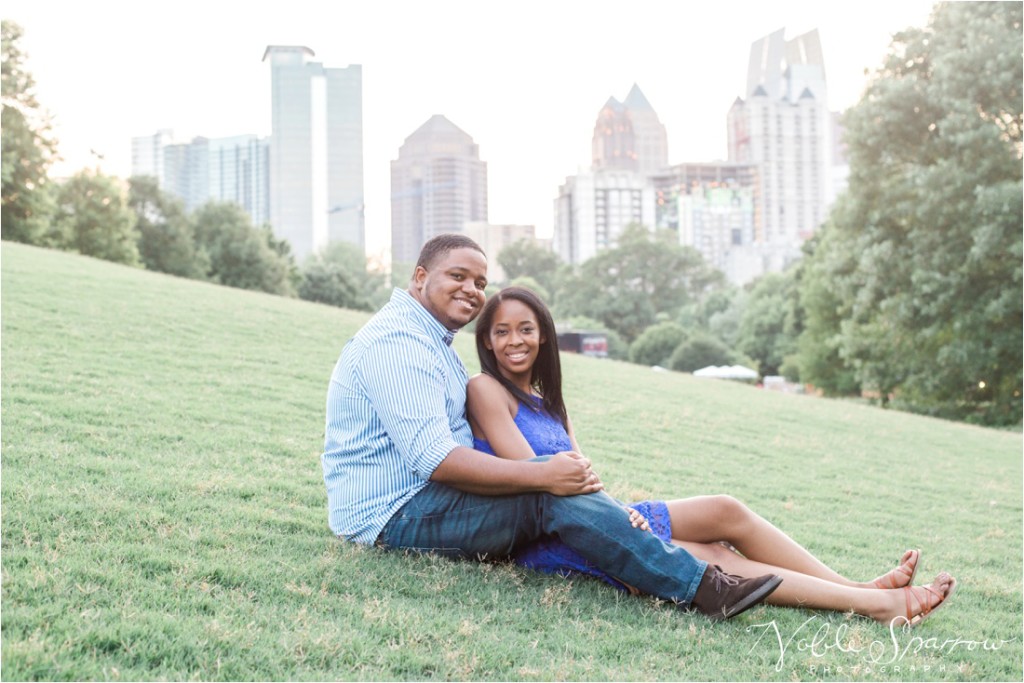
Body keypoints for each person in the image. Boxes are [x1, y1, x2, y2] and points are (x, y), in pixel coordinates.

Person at [322, 233, 783, 621]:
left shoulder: (431, 340)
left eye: (479, 281)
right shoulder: (398, 342)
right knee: (545, 491)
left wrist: (559, 479)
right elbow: (435, 459)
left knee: (549, 482)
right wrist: (542, 473)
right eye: (457, 276)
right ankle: (703, 588)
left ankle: (687, 571)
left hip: (428, 499)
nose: (471, 289)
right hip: (393, 515)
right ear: (420, 277)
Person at [466, 286, 958, 626]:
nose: (515, 341)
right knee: (712, 557)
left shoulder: (549, 399)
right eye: (502, 332)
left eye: (525, 329)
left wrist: (620, 513)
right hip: (551, 534)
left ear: (544, 334)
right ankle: (871, 605)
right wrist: (613, 519)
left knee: (724, 509)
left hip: (596, 513)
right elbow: (535, 477)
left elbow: (585, 477)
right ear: (486, 340)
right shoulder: (486, 390)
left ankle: (860, 588)